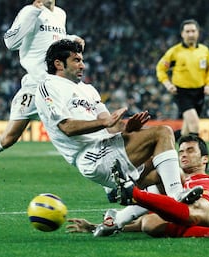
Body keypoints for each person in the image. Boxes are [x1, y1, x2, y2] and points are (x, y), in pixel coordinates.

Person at [35, 39, 185, 213]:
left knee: (170, 172)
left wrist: (129, 128)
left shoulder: (88, 89)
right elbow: (67, 128)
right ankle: (177, 197)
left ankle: (124, 216)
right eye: (76, 60)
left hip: (109, 147)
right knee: (163, 132)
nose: (82, 65)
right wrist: (104, 123)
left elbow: (112, 126)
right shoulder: (49, 86)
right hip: (91, 156)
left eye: (82, 60)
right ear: (58, 64)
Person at [0, 0, 84, 198]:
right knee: (9, 137)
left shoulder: (60, 14)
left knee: (78, 129)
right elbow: (10, 42)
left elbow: (53, 42)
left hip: (56, 86)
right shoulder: (29, 11)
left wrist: (72, 39)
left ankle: (112, 187)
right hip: (34, 86)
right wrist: (33, 12)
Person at [67, 135, 209, 238]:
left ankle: (132, 191)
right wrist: (96, 226)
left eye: (190, 150)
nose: (183, 154)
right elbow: (139, 225)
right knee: (148, 224)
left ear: (205, 159)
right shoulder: (173, 178)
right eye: (181, 151)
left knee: (188, 197)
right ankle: (127, 197)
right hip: (181, 212)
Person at [156, 19, 209, 139]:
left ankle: (165, 141)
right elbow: (160, 68)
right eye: (187, 31)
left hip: (199, 92)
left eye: (193, 31)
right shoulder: (174, 52)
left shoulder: (204, 50)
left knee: (186, 130)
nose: (191, 34)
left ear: (198, 33)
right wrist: (168, 85)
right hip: (182, 92)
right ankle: (197, 153)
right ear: (182, 34)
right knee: (194, 123)